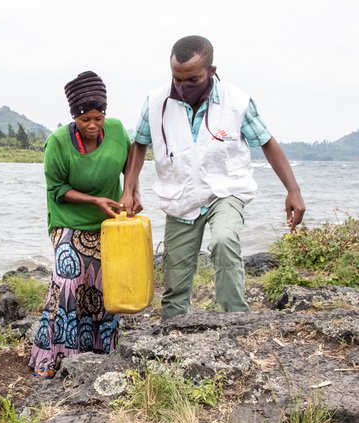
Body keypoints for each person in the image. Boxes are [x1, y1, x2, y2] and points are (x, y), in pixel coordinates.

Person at [122, 35, 306, 321]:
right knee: (176, 273)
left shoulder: (237, 102)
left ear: (212, 71)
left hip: (226, 190)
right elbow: (139, 143)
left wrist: (293, 190)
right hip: (180, 195)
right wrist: (129, 188)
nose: (182, 88)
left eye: (192, 80)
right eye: (176, 79)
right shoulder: (155, 101)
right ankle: (175, 328)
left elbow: (267, 143)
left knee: (223, 239)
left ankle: (235, 320)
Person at [28, 71, 139, 378]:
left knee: (104, 286)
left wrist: (131, 192)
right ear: (73, 116)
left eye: (98, 118)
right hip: (68, 222)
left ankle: (100, 353)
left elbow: (131, 162)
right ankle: (52, 358)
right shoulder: (58, 143)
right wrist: (95, 201)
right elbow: (57, 190)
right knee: (68, 282)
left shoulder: (116, 131)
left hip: (109, 225)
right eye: (85, 119)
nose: (92, 125)